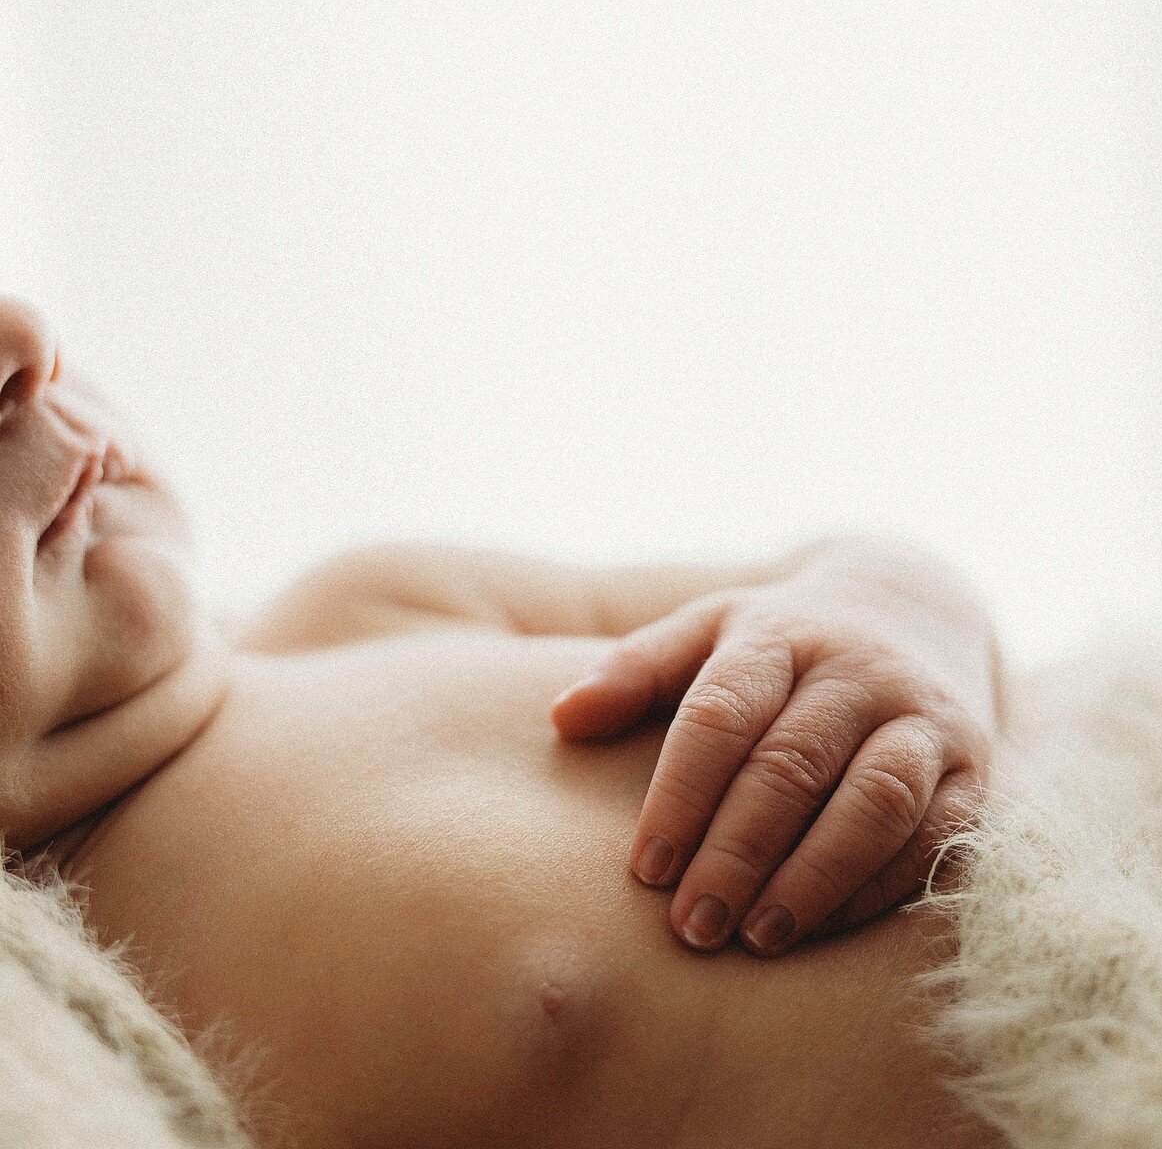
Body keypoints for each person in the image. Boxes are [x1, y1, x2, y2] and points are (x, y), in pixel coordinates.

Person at [0, 296, 1007, 1149]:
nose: (20, 343)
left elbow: (837, 570)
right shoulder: (85, 1047)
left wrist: (898, 614)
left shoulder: (364, 609)